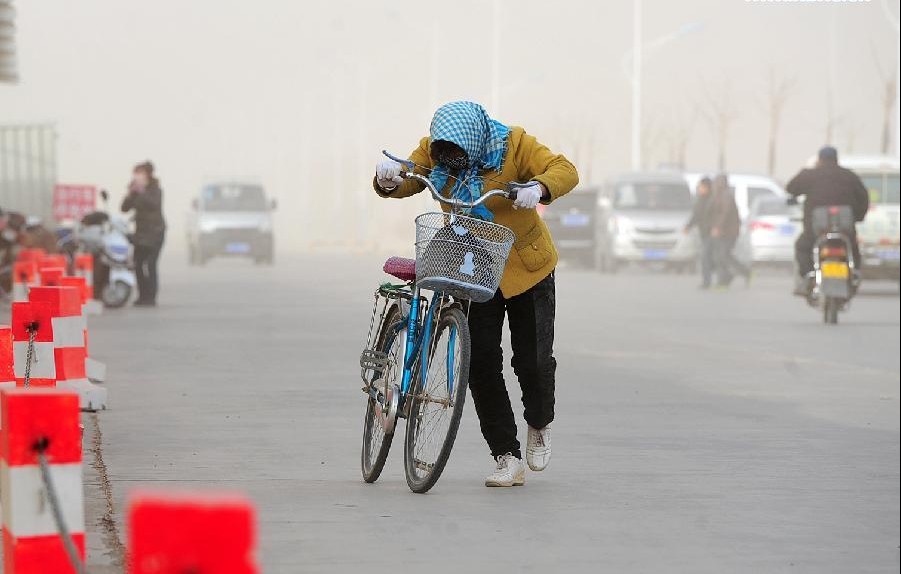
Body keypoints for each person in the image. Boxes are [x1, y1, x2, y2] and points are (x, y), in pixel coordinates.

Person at [373, 101, 578, 487]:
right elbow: (410, 177)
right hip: (472, 268)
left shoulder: (514, 144)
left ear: (474, 139)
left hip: (525, 268)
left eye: (458, 153)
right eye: (443, 153)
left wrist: (538, 187)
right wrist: (388, 180)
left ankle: (538, 421)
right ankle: (506, 456)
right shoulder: (435, 150)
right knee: (481, 364)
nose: (451, 161)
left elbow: (565, 170)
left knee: (532, 360)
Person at [786, 146, 869, 296]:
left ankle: (809, 277)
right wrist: (858, 217)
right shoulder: (849, 176)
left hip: (815, 231)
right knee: (853, 250)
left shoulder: (810, 175)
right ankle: (853, 276)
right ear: (836, 159)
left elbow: (791, 188)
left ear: (819, 159)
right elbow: (863, 198)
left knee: (802, 248)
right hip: (845, 230)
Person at [121, 161, 166, 306]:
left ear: (147, 174)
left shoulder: (155, 189)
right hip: (140, 234)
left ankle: (151, 297)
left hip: (156, 233)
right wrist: (130, 193)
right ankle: (142, 296)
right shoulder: (135, 190)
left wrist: (141, 191)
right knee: (138, 264)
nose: (137, 176)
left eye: (140, 173)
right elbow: (124, 208)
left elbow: (153, 204)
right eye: (136, 173)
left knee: (151, 264)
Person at [708, 173, 750, 287]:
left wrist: (718, 227)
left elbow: (724, 214)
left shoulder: (726, 196)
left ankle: (727, 278)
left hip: (729, 232)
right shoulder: (719, 195)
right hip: (724, 231)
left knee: (723, 255)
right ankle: (734, 275)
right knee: (723, 255)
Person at [684, 176, 715, 289]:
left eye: (701, 187)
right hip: (705, 233)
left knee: (707, 257)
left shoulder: (713, 200)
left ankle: (708, 282)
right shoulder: (701, 199)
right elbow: (696, 215)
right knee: (708, 257)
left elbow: (717, 216)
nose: (699, 189)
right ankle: (708, 281)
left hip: (713, 233)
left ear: (707, 187)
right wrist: (688, 226)